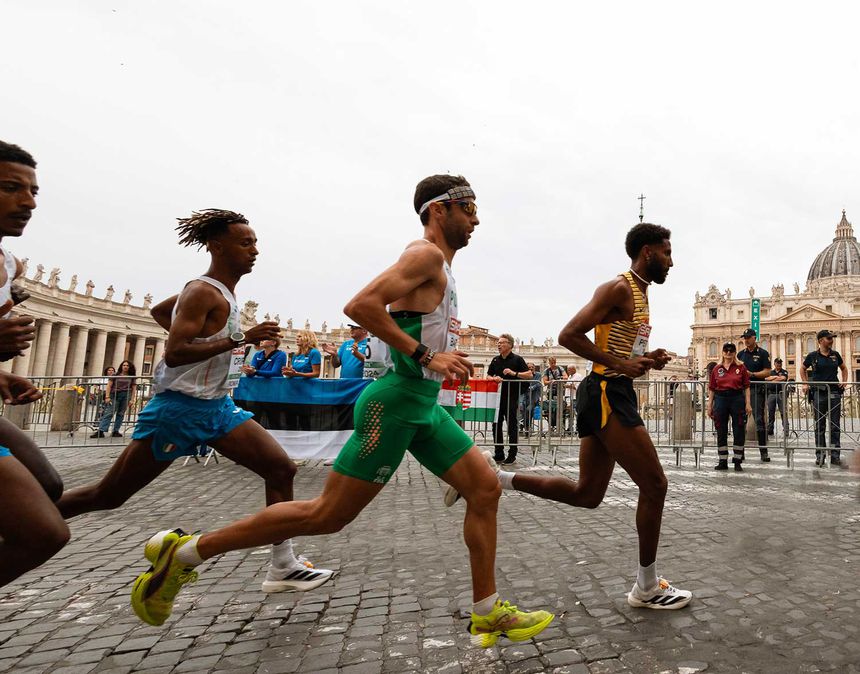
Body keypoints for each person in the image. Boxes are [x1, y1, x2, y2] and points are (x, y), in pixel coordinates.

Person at [130, 175, 554, 646]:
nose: (476, 218)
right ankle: (185, 553)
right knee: (327, 515)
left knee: (484, 489)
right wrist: (426, 356)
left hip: (423, 405)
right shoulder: (425, 255)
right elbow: (360, 305)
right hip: (394, 404)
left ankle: (487, 612)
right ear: (439, 210)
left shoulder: (443, 268)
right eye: (468, 207)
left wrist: (434, 360)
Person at [57, 209, 331, 605]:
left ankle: (283, 564)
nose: (255, 250)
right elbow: (176, 351)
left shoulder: (221, 292)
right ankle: (25, 520)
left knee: (280, 467)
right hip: (180, 409)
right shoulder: (203, 291)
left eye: (255, 242)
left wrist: (213, 340)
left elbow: (158, 313)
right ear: (216, 247)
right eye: (245, 242)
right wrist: (240, 339)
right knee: (107, 495)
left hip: (216, 407)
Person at [448, 222, 691, 610]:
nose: (671, 262)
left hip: (610, 390)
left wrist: (645, 359)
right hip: (609, 394)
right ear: (647, 252)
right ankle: (647, 586)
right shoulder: (617, 287)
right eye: (666, 252)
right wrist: (619, 365)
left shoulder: (641, 293)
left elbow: (619, 350)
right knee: (656, 485)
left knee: (587, 494)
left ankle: (497, 479)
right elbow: (568, 335)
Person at [0, 140, 69, 586]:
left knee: (49, 484)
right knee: (44, 533)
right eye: (11, 187)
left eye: (34, 192)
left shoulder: (8, 264)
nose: (28, 202)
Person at [801, 329, 848, 467]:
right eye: (829, 338)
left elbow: (844, 368)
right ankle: (820, 454)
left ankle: (835, 455)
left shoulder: (836, 355)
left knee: (835, 426)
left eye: (832, 338)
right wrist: (805, 383)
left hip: (834, 393)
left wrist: (844, 381)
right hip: (818, 394)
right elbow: (802, 369)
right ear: (821, 340)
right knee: (819, 426)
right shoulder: (812, 356)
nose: (831, 340)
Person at [707, 343, 751, 471]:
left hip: (736, 398)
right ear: (722, 352)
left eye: (731, 351)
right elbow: (712, 389)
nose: (728, 353)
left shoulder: (741, 367)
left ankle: (737, 460)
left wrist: (748, 403)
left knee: (739, 429)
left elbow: (747, 387)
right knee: (721, 430)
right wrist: (709, 406)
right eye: (726, 350)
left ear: (735, 353)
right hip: (720, 399)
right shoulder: (717, 369)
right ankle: (722, 460)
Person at [487, 333, 530, 463]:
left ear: (510, 345)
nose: (498, 344)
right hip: (497, 398)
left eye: (502, 342)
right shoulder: (495, 360)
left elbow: (529, 374)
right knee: (496, 424)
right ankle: (499, 453)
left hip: (512, 397)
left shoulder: (517, 359)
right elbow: (488, 375)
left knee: (511, 425)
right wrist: (494, 378)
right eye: (498, 343)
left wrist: (514, 373)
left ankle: (512, 454)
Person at [737, 328, 772, 462]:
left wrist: (752, 375)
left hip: (756, 389)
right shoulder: (740, 355)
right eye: (744, 338)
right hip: (742, 390)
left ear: (754, 338)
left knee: (759, 421)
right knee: (741, 422)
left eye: (747, 337)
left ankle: (763, 452)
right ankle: (740, 452)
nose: (745, 340)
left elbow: (768, 372)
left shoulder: (763, 353)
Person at [91, 360, 137, 438]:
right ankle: (101, 431)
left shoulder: (132, 376)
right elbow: (109, 386)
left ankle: (116, 431)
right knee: (109, 412)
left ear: (130, 367)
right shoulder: (115, 374)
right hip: (114, 395)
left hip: (126, 395)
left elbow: (133, 388)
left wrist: (132, 399)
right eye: (124, 365)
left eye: (127, 365)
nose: (125, 367)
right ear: (121, 366)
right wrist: (107, 397)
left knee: (121, 414)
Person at [765, 357, 789, 437]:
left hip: (781, 394)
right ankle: (770, 430)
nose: (779, 364)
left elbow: (783, 378)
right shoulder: (770, 372)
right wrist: (776, 378)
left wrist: (773, 379)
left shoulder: (784, 371)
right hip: (771, 394)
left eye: (780, 363)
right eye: (777, 363)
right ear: (774, 364)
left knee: (783, 413)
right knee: (771, 413)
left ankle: (786, 430)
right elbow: (766, 379)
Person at [542, 356, 567, 431]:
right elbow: (545, 382)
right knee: (551, 409)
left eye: (554, 362)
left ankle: (560, 426)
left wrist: (559, 379)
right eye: (551, 363)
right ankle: (552, 425)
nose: (553, 364)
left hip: (560, 391)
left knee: (560, 408)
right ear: (549, 363)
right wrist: (552, 382)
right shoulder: (546, 370)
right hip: (551, 392)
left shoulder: (560, 368)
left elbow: (566, 377)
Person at [565, 365, 583, 433]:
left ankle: (578, 428)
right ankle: (570, 428)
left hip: (575, 397)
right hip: (569, 397)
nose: (568, 371)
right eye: (568, 370)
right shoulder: (570, 376)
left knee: (576, 413)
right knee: (570, 414)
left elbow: (577, 387)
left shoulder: (578, 376)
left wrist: (567, 386)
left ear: (573, 369)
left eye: (569, 370)